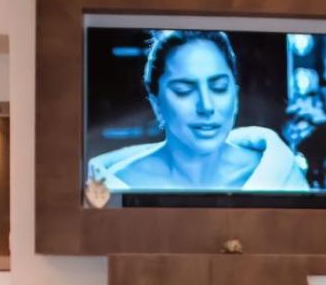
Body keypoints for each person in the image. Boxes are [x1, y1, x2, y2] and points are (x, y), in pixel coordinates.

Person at [88, 30, 308, 192]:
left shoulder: (281, 177)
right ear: (156, 104)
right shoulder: (112, 185)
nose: (206, 106)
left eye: (219, 88)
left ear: (235, 95)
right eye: (184, 91)